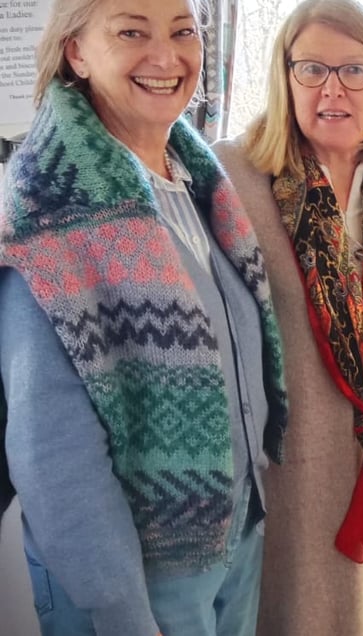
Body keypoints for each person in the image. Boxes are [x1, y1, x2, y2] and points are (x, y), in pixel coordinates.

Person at [0, 0, 289, 634]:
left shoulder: (196, 176)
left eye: (183, 31)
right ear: (76, 52)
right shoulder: (49, 209)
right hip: (137, 575)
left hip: (231, 536)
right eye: (131, 31)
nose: (167, 56)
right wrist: (121, 611)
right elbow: (52, 452)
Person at [212, 1, 363, 634]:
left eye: (355, 70)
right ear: (284, 76)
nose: (333, 89)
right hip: (300, 467)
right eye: (312, 69)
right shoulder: (233, 177)